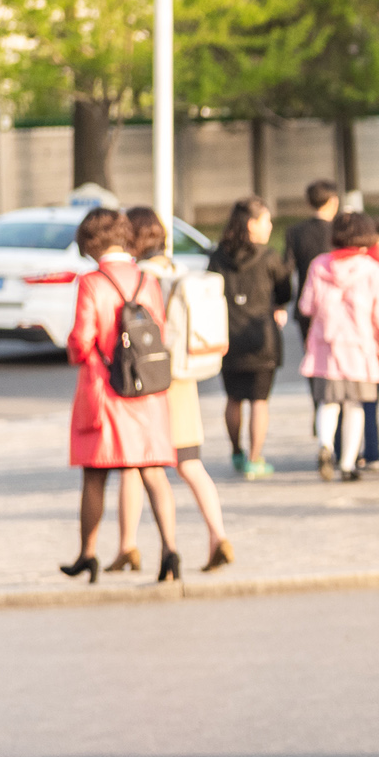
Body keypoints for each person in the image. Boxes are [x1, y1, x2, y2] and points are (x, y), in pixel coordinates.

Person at [59, 208, 183, 585]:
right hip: (146, 391)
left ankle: (88, 554)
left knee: (95, 476)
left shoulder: (92, 283)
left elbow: (82, 341)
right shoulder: (147, 280)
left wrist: (76, 351)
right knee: (152, 472)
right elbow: (158, 328)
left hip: (105, 391)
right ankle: (170, 550)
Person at [108, 208, 235, 573]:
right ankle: (218, 536)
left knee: (136, 467)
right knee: (191, 464)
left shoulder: (139, 279)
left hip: (148, 382)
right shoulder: (180, 271)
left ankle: (131, 546)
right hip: (184, 380)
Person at [299, 209, 379, 481]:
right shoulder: (371, 268)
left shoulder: (318, 264)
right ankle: (349, 464)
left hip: (326, 345)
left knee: (329, 403)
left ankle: (325, 445)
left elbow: (306, 306)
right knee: (355, 406)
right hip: (359, 346)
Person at [212, 197, 291, 479]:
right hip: (261, 338)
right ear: (251, 224)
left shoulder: (218, 255)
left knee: (233, 398)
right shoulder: (269, 257)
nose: (270, 226)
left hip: (227, 337)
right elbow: (285, 292)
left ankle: (236, 451)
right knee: (259, 400)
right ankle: (254, 459)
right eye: (266, 220)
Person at [284, 179, 340, 335]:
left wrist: (282, 302)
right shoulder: (340, 231)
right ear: (333, 201)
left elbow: (287, 268)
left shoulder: (295, 232)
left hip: (306, 303)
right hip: (336, 305)